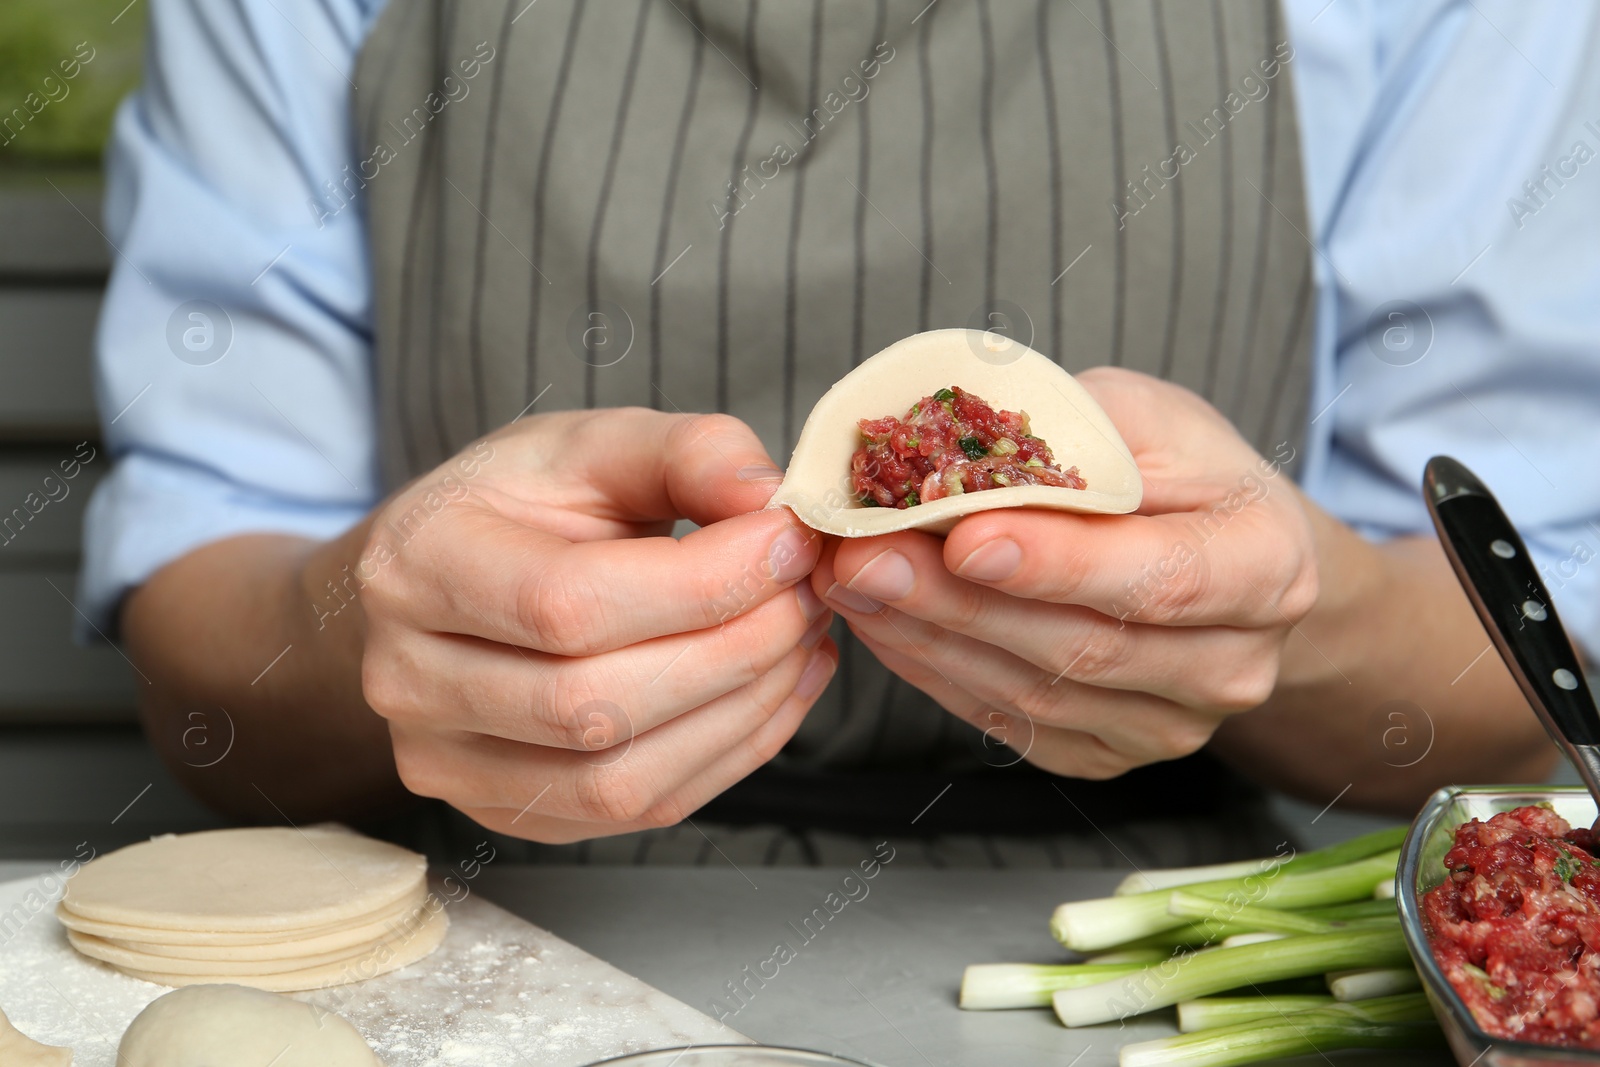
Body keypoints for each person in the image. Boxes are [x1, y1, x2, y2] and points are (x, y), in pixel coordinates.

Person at [82, 0, 1595, 865]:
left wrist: (1287, 611)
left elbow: (1518, 691)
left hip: (1145, 916)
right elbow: (212, 688)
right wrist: (373, 624)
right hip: (494, 924)